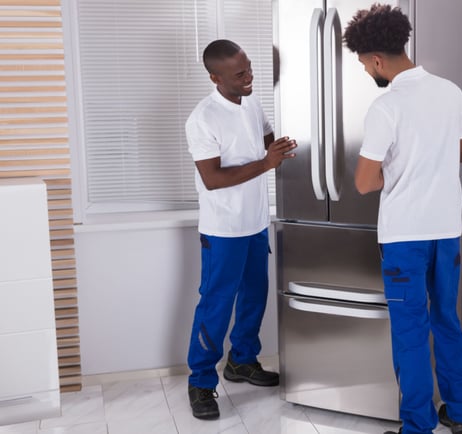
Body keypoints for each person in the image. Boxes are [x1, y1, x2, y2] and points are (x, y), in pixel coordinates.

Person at [343, 5, 462, 434]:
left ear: (377, 60)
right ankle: (459, 413)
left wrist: (401, 170)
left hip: (405, 238)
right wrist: (431, 161)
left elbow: (364, 182)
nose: (367, 72)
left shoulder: (387, 106)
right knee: (448, 323)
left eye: (365, 64)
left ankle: (417, 427)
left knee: (411, 332)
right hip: (447, 232)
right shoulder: (449, 91)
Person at [184, 39, 297, 420]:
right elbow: (213, 178)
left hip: (254, 224)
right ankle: (201, 382)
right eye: (240, 74)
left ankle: (242, 362)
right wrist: (267, 163)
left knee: (254, 297)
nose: (250, 77)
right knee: (215, 305)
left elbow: (268, 146)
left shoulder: (251, 102)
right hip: (223, 230)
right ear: (216, 77)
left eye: (249, 68)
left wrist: (288, 147)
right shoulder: (202, 118)